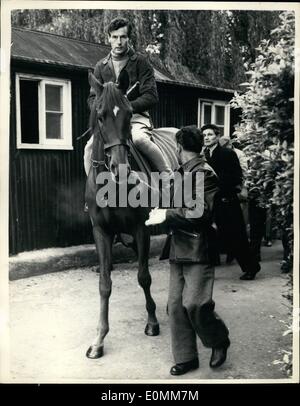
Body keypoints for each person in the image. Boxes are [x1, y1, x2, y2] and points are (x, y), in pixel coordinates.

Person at [145, 125, 230, 376]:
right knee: (175, 306)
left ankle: (219, 340)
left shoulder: (205, 173)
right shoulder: (182, 173)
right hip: (178, 246)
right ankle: (187, 357)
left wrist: (166, 215)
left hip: (199, 247)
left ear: (178, 148)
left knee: (195, 304)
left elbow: (199, 212)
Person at [84, 17, 172, 176]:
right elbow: (92, 98)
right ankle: (94, 190)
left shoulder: (141, 62)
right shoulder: (100, 66)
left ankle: (168, 176)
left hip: (135, 116)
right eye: (115, 37)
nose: (119, 42)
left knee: (139, 140)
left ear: (128, 39)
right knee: (89, 148)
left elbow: (151, 96)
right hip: (110, 121)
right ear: (109, 38)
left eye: (123, 37)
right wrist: (104, 109)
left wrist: (127, 107)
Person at [201, 124, 261, 280]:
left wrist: (218, 186)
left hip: (227, 200)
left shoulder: (228, 154)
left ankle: (251, 267)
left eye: (210, 134)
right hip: (209, 201)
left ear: (217, 136)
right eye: (204, 135)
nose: (206, 137)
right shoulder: (202, 156)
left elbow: (236, 177)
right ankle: (209, 268)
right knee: (209, 235)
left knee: (237, 235)